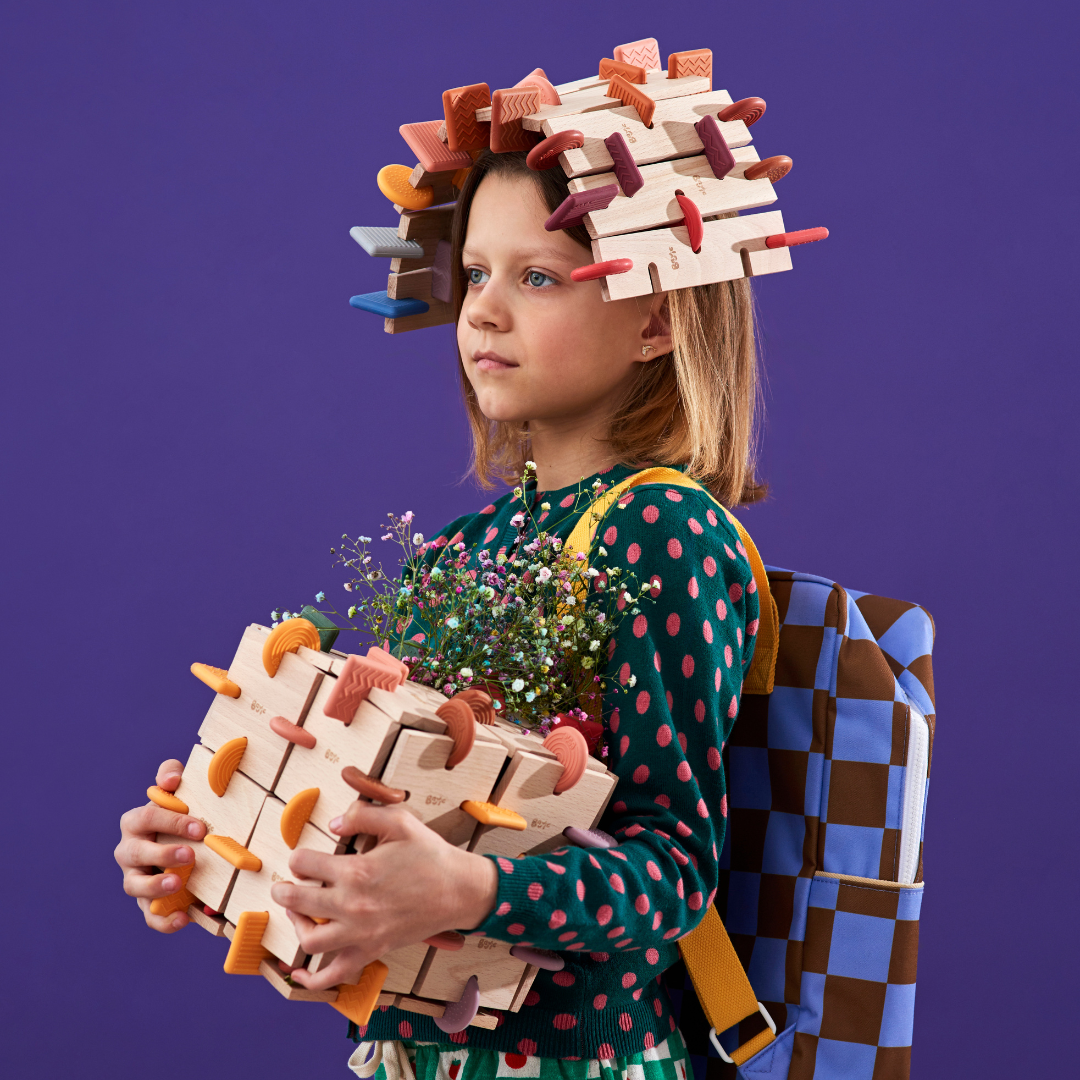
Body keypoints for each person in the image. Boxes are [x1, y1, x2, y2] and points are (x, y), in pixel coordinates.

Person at [115, 148, 763, 1079]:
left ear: (656, 320)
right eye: (476, 274)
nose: (484, 311)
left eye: (537, 277)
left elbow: (673, 874)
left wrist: (472, 886)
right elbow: (391, 820)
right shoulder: (462, 550)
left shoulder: (662, 530)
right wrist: (223, 852)